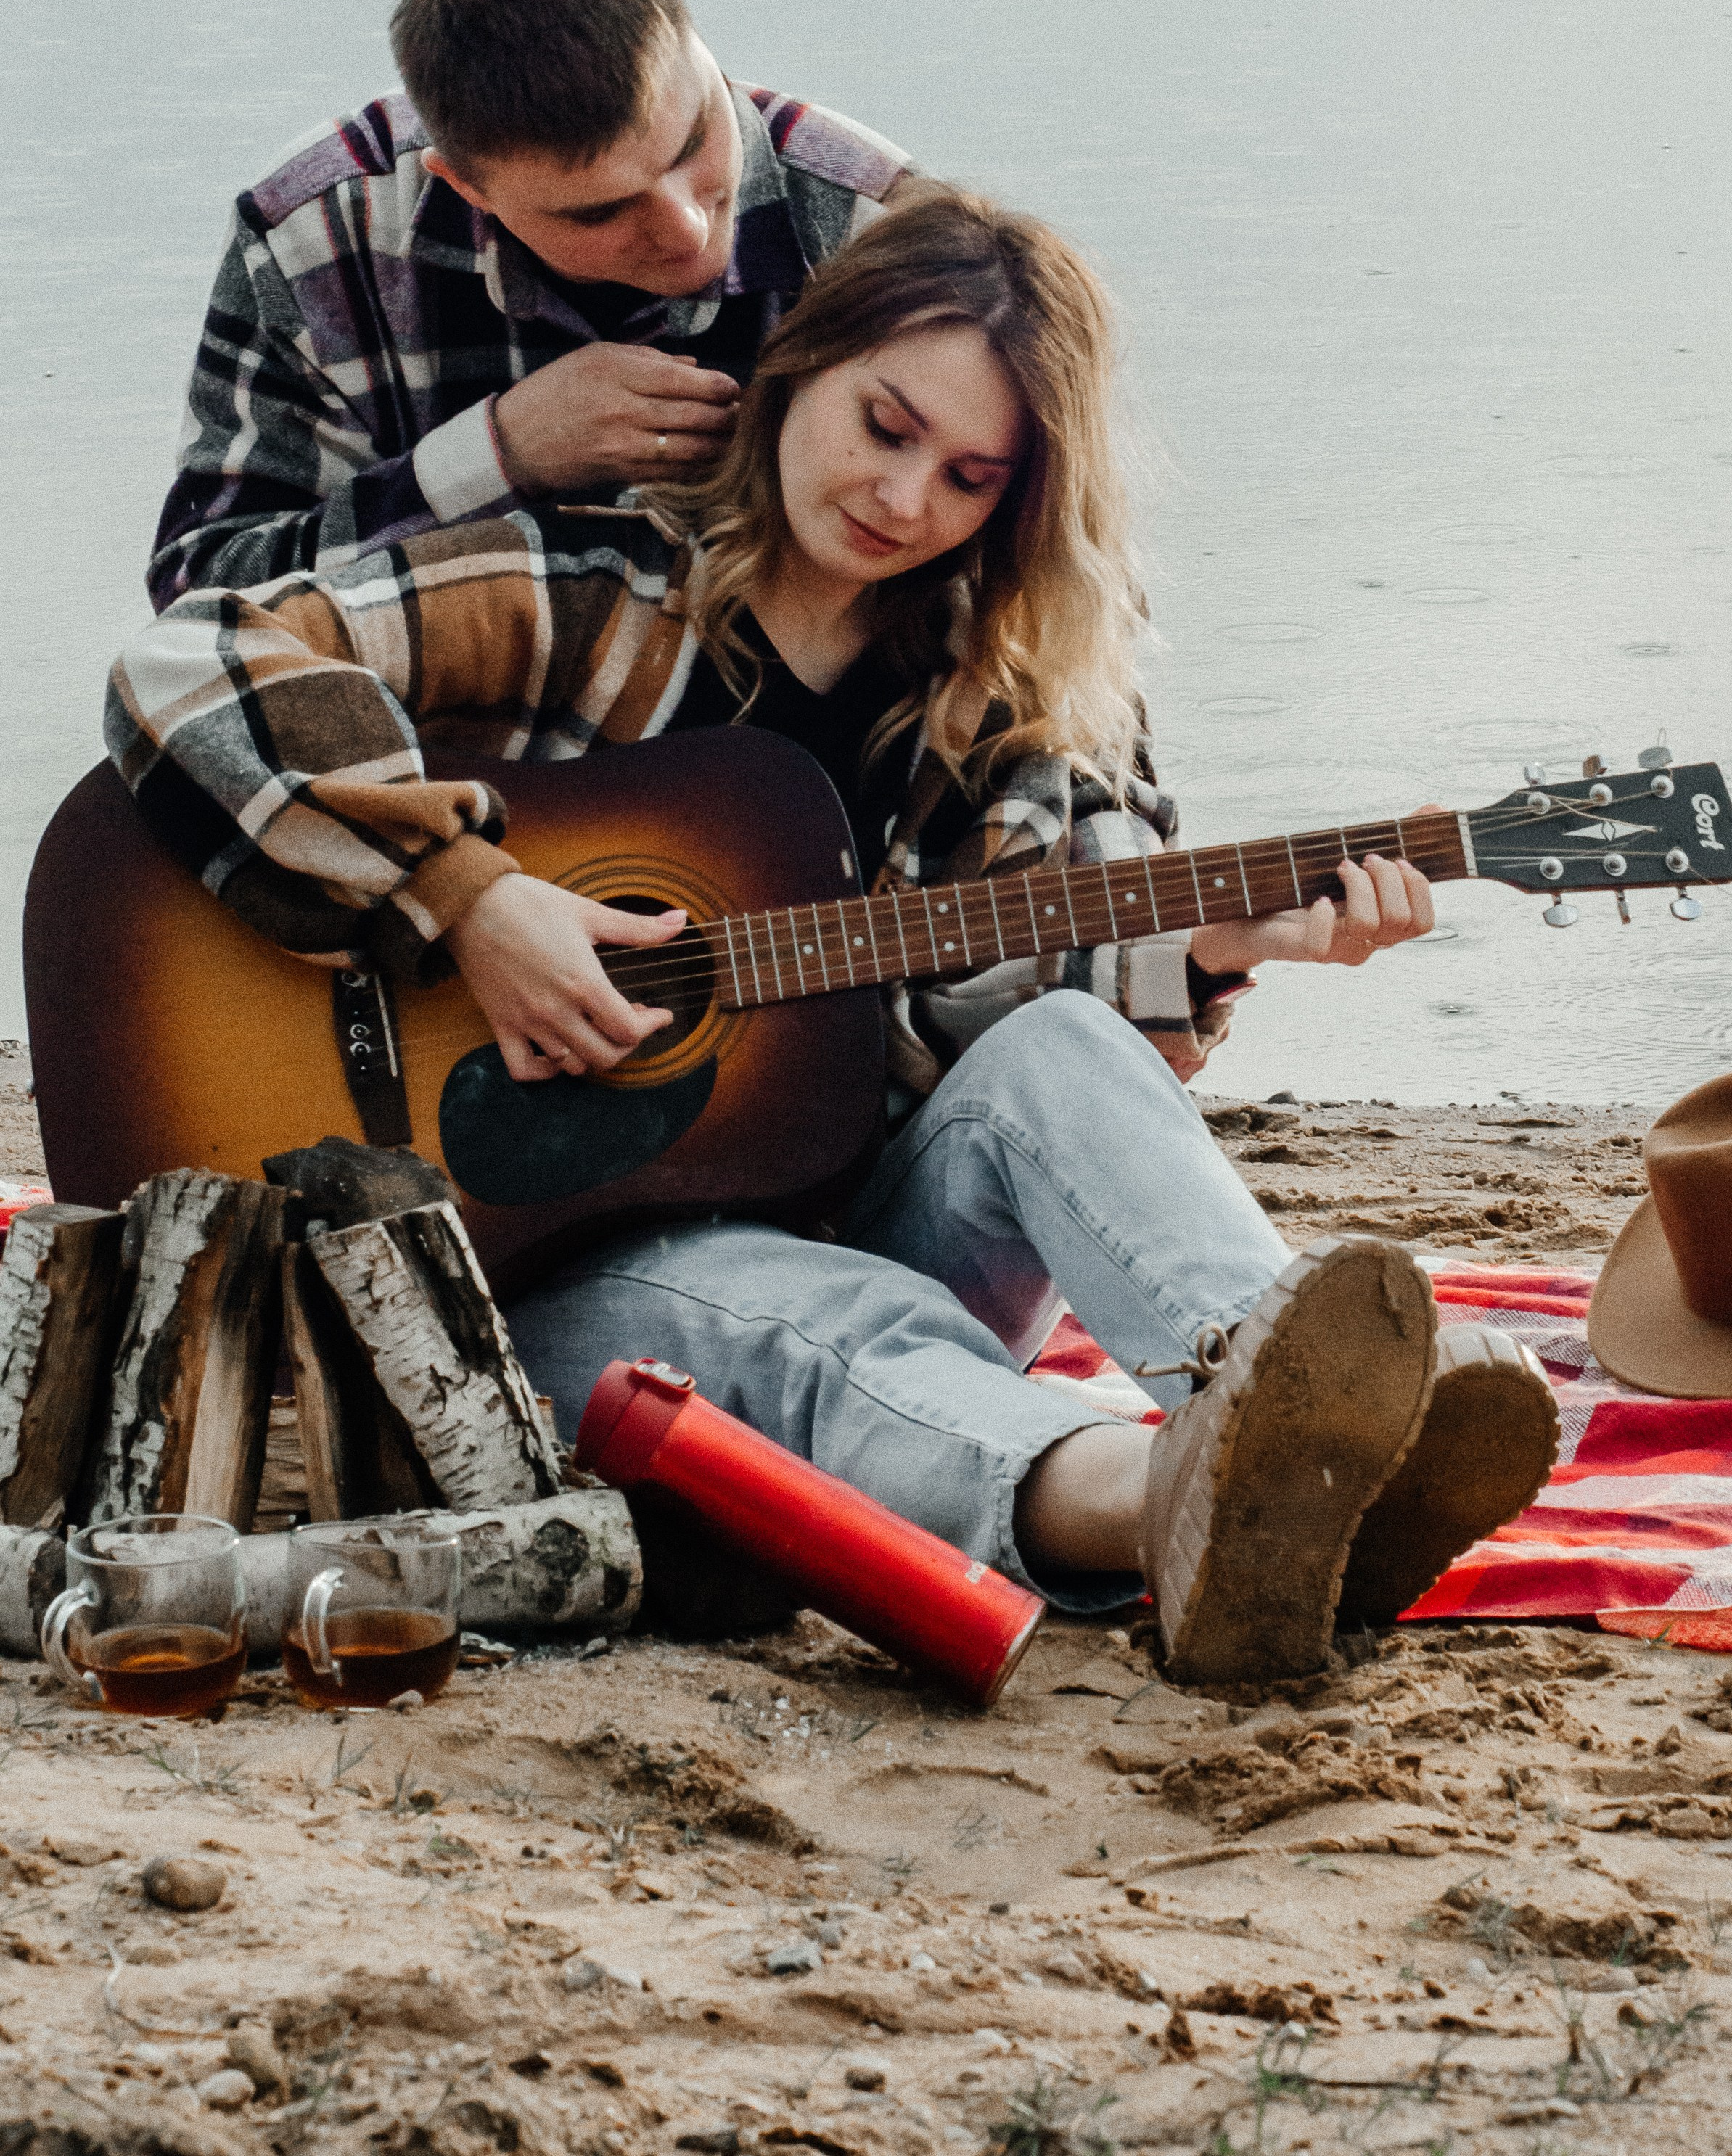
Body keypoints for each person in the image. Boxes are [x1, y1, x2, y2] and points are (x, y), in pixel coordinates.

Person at [108, 193, 1552, 1680]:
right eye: (884, 422)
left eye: (969, 475)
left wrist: (1216, 954)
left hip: (841, 1220)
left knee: (1062, 1044)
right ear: (801, 365)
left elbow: (1019, 1036)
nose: (905, 495)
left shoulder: (995, 704)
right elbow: (194, 650)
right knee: (811, 1314)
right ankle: (1165, 1499)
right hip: (509, 1286)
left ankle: (1308, 1423)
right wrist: (475, 898)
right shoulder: (583, 589)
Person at [147, 0, 920, 611]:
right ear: (463, 186)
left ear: (690, 25)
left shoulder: (880, 229)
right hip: (433, 740)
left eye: (693, 144)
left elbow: (1006, 614)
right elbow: (201, 596)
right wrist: (498, 455)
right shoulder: (310, 238)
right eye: (601, 211)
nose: (685, 226)